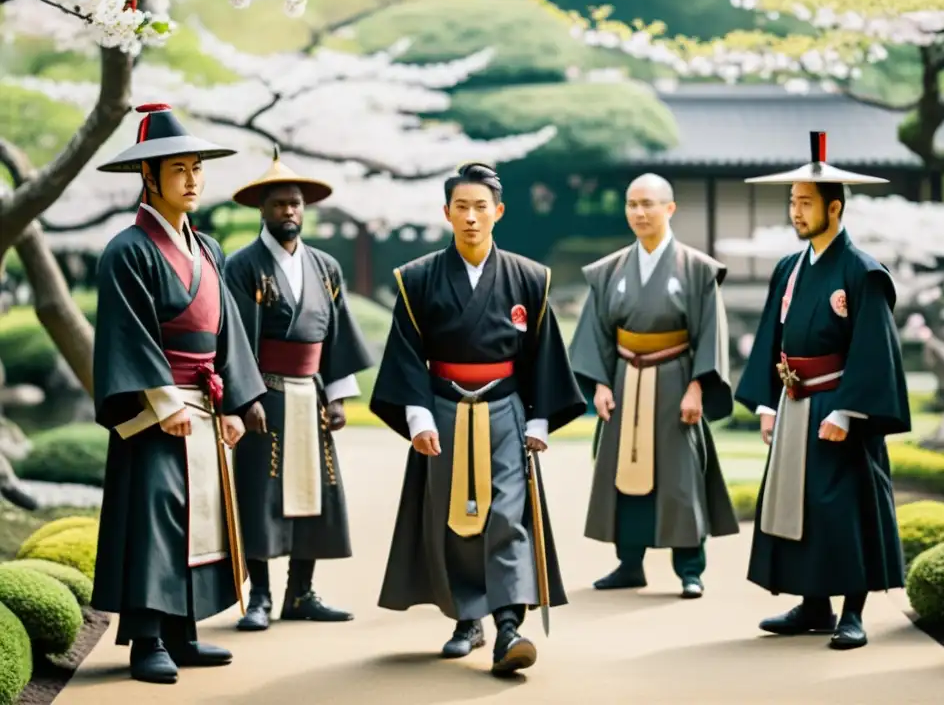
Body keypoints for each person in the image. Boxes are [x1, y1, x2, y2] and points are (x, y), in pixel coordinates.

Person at [370, 162, 586, 676]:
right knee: (455, 517)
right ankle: (468, 618)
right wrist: (418, 416)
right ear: (446, 213)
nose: (471, 217)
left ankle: (509, 625)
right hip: (443, 409)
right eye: (461, 207)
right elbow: (405, 354)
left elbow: (543, 354)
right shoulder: (418, 279)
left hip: (506, 410)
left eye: (480, 207)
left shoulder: (529, 279)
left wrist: (538, 420)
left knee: (506, 515)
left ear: (499, 212)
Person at [90, 104, 267, 684]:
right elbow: (127, 332)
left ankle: (183, 631)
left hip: (206, 400)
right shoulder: (128, 250)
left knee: (201, 517)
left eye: (197, 168)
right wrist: (162, 402)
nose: (193, 180)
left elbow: (227, 330)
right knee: (156, 516)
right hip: (157, 405)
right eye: (179, 170)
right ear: (149, 177)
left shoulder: (209, 248)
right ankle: (146, 640)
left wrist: (238, 401)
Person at [735, 131, 911, 650]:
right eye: (792, 203)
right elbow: (772, 335)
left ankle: (852, 611)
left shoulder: (862, 272)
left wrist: (850, 410)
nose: (796, 212)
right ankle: (813, 605)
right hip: (794, 401)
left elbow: (874, 348)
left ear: (834, 208)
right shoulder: (790, 269)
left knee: (844, 506)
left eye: (805, 203)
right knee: (800, 503)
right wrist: (768, 401)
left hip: (839, 404)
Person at [222, 147, 375, 631]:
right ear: (262, 210)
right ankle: (262, 596)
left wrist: (337, 396)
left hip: (311, 394)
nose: (289, 211)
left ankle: (301, 592)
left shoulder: (326, 267)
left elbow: (338, 335)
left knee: (315, 492)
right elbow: (236, 339)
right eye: (279, 204)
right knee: (262, 493)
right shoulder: (243, 266)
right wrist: (245, 400)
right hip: (265, 395)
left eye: (295, 203)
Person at [569, 173, 738, 598]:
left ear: (669, 208)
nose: (639, 212)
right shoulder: (609, 271)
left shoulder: (697, 269)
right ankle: (629, 564)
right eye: (632, 204)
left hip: (676, 377)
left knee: (680, 477)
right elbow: (595, 333)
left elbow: (710, 334)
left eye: (648, 203)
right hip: (625, 379)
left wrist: (698, 387)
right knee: (624, 471)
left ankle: (690, 569)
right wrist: (601, 385)